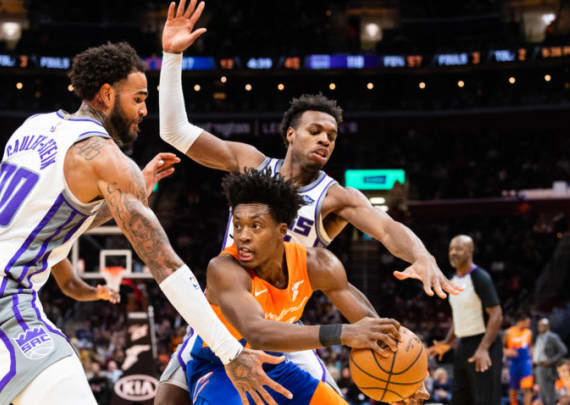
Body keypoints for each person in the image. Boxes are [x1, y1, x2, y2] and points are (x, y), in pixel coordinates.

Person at [0, 41, 291, 405]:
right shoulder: (107, 158)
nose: (144, 110)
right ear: (106, 95)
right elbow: (164, 263)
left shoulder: (34, 126)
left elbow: (49, 221)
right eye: (138, 99)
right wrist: (230, 352)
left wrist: (131, 191)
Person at [155, 0, 461, 402]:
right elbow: (175, 131)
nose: (325, 140)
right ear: (290, 135)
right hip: (225, 318)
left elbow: (385, 228)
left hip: (287, 330)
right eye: (315, 131)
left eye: (332, 136)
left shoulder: (334, 197)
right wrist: (172, 56)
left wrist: (420, 256)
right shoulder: (250, 165)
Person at [181, 169, 418, 404]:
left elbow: (372, 328)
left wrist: (408, 378)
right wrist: (345, 333)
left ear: (281, 231)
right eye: (238, 226)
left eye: (255, 226)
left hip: (275, 366)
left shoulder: (318, 265)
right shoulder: (224, 269)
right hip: (221, 367)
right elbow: (258, 332)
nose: (242, 236)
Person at [428, 235, 503, 405]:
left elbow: (497, 314)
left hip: (484, 344)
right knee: (460, 398)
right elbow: (459, 317)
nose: (453, 253)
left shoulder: (480, 278)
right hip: (463, 345)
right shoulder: (453, 280)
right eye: (451, 249)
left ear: (470, 251)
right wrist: (447, 342)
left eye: (459, 249)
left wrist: (484, 348)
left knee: (486, 400)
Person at [534, 318, 568, 405]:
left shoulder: (552, 336)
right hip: (539, 367)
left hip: (547, 368)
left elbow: (563, 350)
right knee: (542, 394)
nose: (540, 327)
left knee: (549, 394)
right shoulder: (539, 336)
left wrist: (551, 361)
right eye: (539, 325)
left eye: (542, 325)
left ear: (547, 326)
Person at [504, 311, 533, 405]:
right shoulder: (508, 332)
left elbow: (531, 347)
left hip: (525, 363)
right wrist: (507, 352)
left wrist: (532, 360)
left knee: (527, 388)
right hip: (513, 364)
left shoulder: (529, 333)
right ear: (521, 321)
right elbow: (501, 348)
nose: (529, 324)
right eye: (528, 322)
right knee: (513, 389)